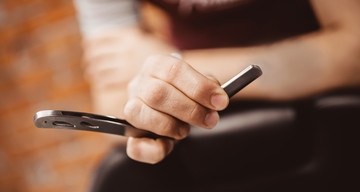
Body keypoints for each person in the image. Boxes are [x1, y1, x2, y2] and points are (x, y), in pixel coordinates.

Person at [74, 0, 360, 164]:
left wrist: (176, 62)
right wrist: (146, 103)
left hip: (336, 123)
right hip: (202, 146)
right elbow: (111, 95)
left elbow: (354, 50)